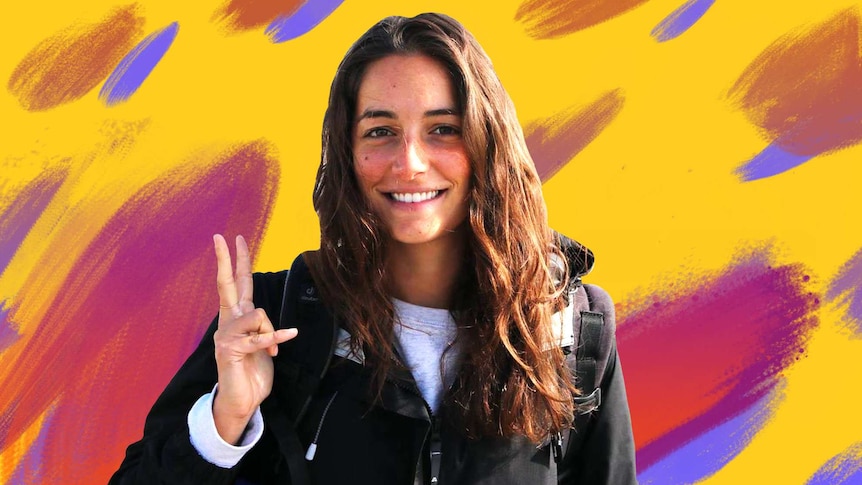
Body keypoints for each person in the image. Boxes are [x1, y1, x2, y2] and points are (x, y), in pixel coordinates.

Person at [110, 12, 636, 484]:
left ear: (487, 143)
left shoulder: (568, 328)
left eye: (443, 129)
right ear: (346, 153)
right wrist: (226, 419)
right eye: (380, 131)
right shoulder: (275, 325)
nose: (409, 162)